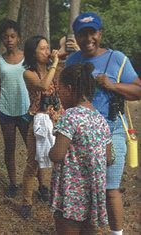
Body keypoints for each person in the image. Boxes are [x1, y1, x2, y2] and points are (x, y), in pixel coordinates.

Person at [66, 12, 141, 235]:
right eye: (82, 34)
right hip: (80, 135)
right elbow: (68, 93)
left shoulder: (116, 58)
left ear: (100, 34)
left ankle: (117, 233)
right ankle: (88, 229)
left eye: (92, 32)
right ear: (76, 37)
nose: (88, 38)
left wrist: (112, 85)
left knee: (110, 189)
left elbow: (138, 90)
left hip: (112, 130)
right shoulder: (73, 61)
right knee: (84, 188)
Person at [49, 62, 112, 234]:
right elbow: (108, 157)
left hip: (72, 193)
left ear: (69, 89)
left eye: (60, 90)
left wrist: (50, 148)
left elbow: (57, 155)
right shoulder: (100, 119)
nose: (59, 95)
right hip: (93, 192)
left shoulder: (70, 116)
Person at [20, 35, 64, 219]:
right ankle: (26, 202)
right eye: (43, 49)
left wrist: (62, 51)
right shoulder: (28, 73)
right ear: (33, 53)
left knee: (60, 162)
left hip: (58, 120)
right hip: (38, 122)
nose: (47, 51)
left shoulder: (56, 69)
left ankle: (58, 198)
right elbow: (43, 85)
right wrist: (54, 63)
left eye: (48, 47)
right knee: (33, 163)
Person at [0, 19, 30, 198]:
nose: (9, 40)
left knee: (34, 149)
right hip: (6, 109)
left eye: (13, 36)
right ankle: (13, 183)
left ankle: (42, 184)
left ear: (19, 38)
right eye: (5, 37)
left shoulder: (28, 58)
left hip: (26, 109)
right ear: (1, 39)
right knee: (10, 148)